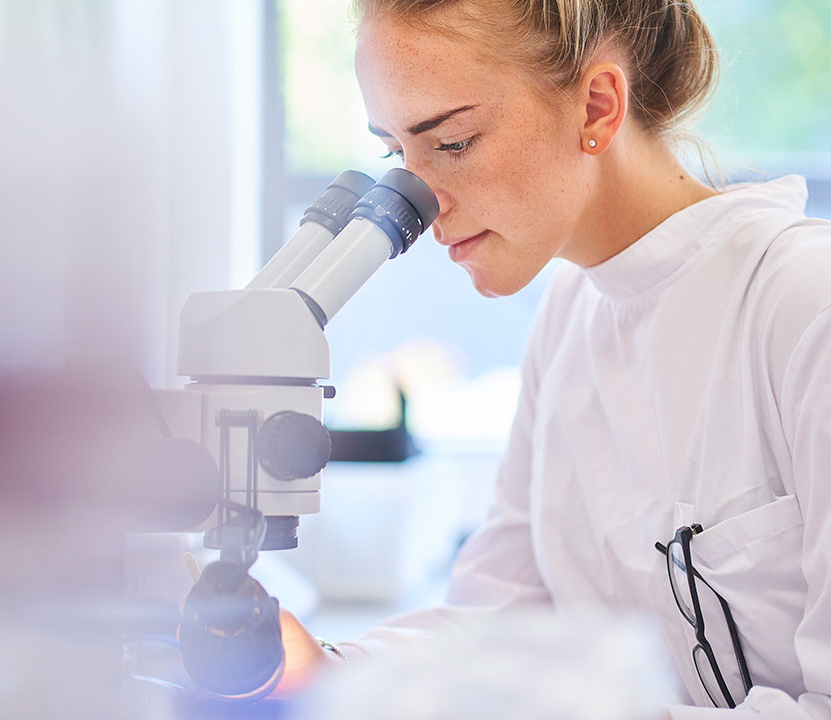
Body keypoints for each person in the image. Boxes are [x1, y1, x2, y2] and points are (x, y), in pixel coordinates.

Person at [274, 0, 831, 717]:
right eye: (395, 154)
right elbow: (502, 625)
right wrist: (320, 670)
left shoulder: (802, 304)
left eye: (452, 143)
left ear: (598, 107)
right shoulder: (570, 318)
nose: (422, 207)